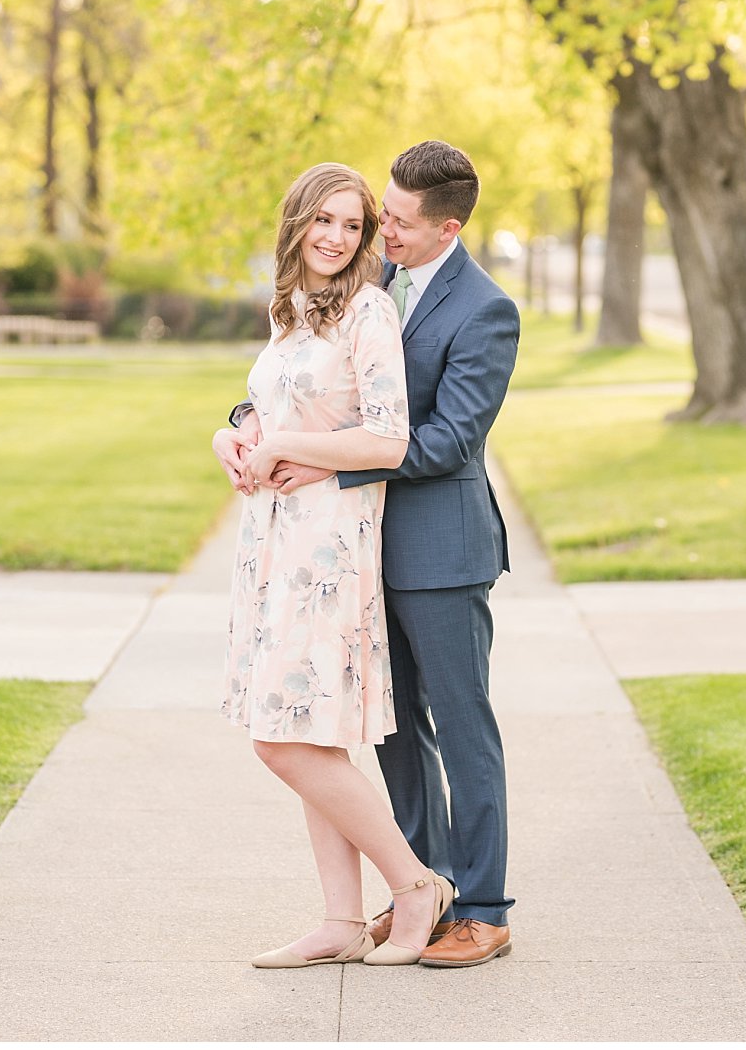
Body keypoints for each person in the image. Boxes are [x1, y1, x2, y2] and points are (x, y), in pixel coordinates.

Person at [224, 139, 522, 969]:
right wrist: (245, 426)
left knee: (462, 729)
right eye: (376, 215)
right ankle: (413, 892)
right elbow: (309, 383)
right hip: (354, 544)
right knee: (391, 734)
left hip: (438, 545)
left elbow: (445, 440)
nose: (376, 230)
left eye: (393, 220)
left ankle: (484, 907)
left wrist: (317, 457)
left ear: (446, 227)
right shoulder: (369, 276)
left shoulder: (484, 308)